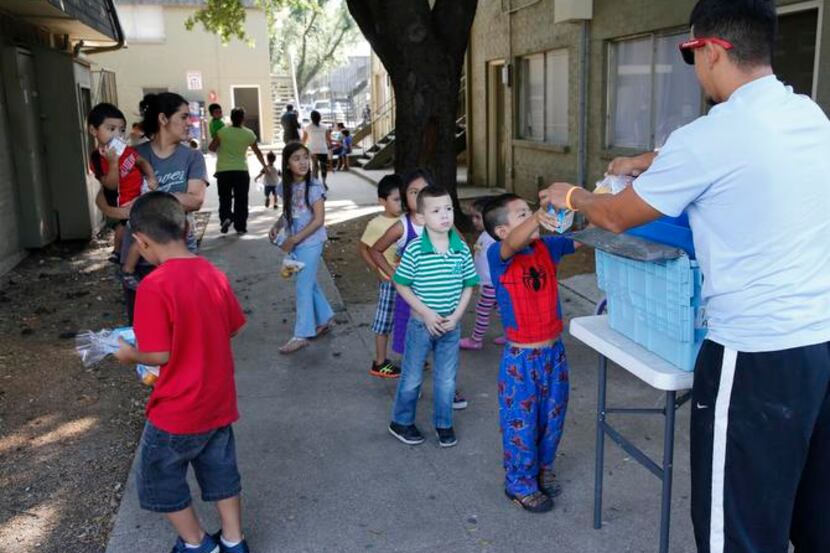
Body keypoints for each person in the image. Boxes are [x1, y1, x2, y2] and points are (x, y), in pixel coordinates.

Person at [545, 1, 830, 550]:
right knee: (808, 514)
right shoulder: (806, 115)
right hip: (818, 344)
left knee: (737, 531)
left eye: (690, 53)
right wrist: (646, 161)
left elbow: (615, 215)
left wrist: (572, 195)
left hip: (753, 356)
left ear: (713, 50)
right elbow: (727, 155)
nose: (693, 67)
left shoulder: (712, 135)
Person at [113, 191, 249, 553]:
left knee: (158, 478)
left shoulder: (153, 287)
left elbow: (158, 353)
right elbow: (233, 326)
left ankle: (197, 544)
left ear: (140, 241)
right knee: (221, 472)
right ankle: (234, 542)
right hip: (217, 402)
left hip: (177, 410)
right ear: (186, 228)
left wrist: (129, 355)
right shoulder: (212, 273)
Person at [482, 193, 575, 514]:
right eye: (521, 215)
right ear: (502, 231)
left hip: (554, 354)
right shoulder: (499, 254)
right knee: (521, 423)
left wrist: (600, 200)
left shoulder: (547, 248)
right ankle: (519, 483)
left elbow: (583, 240)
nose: (533, 218)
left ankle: (542, 468)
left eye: (529, 212)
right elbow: (513, 244)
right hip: (521, 359)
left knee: (553, 418)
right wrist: (538, 215)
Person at [370, 169, 469, 410]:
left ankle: (448, 390)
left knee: (444, 348)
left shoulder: (445, 225)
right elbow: (375, 250)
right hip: (413, 302)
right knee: (414, 351)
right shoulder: (402, 226)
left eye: (423, 191)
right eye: (413, 192)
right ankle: (408, 395)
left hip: (444, 299)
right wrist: (395, 276)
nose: (419, 196)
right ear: (406, 197)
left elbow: (463, 246)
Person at [387, 184, 478, 448]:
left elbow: (468, 285)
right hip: (420, 325)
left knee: (446, 379)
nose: (445, 215)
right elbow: (401, 283)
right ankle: (401, 421)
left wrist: (457, 317)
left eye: (448, 208)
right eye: (436, 210)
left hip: (451, 326)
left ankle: (444, 424)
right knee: (412, 376)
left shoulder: (460, 248)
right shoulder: (415, 250)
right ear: (422, 217)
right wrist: (426, 314)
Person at [268, 142, 334, 354]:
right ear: (287, 164)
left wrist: (294, 239)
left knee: (302, 287)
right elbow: (289, 212)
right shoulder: (284, 187)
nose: (303, 162)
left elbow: (318, 220)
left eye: (305, 157)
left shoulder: (314, 187)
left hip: (311, 243)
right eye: (296, 158)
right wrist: (277, 226)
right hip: (296, 242)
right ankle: (324, 317)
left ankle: (301, 334)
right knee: (308, 282)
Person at [87, 102, 158, 287]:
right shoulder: (98, 157)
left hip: (141, 194)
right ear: (94, 130)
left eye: (121, 129)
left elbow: (141, 162)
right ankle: (125, 267)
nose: (117, 134)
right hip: (123, 202)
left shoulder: (126, 150)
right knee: (130, 230)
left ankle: (124, 261)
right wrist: (113, 163)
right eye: (111, 129)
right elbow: (110, 185)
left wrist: (150, 177)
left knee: (140, 231)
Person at [358, 174, 403, 378]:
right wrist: (378, 271)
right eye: (396, 199)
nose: (400, 203)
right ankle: (380, 362)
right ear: (382, 201)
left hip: (409, 281)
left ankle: (414, 357)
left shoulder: (407, 221)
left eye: (402, 198)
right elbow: (364, 249)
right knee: (384, 321)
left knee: (409, 319)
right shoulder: (376, 224)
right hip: (389, 282)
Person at [210, 107, 266, 235]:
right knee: (241, 199)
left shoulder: (222, 131)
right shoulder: (249, 133)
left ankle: (226, 218)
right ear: (243, 119)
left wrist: (222, 145)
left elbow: (212, 148)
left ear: (231, 117)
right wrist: (265, 166)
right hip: (241, 170)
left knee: (224, 197)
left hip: (223, 170)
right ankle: (240, 226)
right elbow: (257, 151)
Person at [460, 196, 506, 350]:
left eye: (477, 217)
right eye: (473, 216)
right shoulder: (487, 235)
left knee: (482, 311)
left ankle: (476, 340)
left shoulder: (493, 238)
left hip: (490, 284)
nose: (474, 221)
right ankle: (511, 335)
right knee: (502, 310)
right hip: (492, 283)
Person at [303, 110, 332, 188]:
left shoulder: (307, 127)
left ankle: (316, 184)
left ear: (311, 118)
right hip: (323, 150)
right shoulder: (325, 127)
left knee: (315, 167)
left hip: (312, 151)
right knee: (323, 167)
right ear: (320, 117)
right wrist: (330, 146)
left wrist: (301, 147)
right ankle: (324, 182)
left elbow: (304, 140)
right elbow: (329, 139)